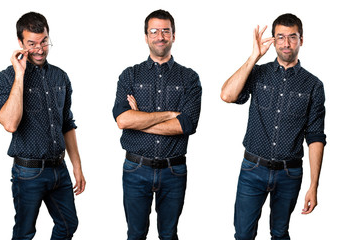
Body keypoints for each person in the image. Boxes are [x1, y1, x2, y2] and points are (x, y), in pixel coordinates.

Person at [220, 13, 326, 239]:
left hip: (289, 174)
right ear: (273, 40)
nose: (286, 43)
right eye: (280, 37)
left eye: (292, 37)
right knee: (243, 234)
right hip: (252, 170)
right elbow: (227, 95)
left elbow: (315, 136)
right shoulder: (257, 73)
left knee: (280, 233)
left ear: (301, 40)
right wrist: (253, 58)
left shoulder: (313, 85)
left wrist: (313, 185)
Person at [0, 12, 86, 240]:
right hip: (28, 173)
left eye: (44, 41)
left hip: (59, 170)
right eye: (32, 43)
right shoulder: (5, 79)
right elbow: (10, 123)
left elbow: (67, 123)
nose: (40, 49)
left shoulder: (60, 77)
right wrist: (20, 74)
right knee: (24, 233)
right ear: (20, 44)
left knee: (68, 224)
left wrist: (77, 166)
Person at [112, 9, 202, 240]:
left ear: (173, 35)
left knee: (169, 235)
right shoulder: (129, 76)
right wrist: (169, 115)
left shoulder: (189, 78)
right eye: (154, 31)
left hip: (173, 170)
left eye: (165, 31)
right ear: (146, 36)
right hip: (135, 169)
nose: (160, 36)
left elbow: (186, 125)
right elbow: (123, 120)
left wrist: (139, 117)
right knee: (135, 234)